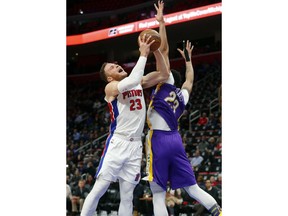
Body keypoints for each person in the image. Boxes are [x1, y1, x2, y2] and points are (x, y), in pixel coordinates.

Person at [143, 1, 222, 216]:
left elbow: (165, 49)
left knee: (158, 192)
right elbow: (189, 81)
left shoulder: (165, 79)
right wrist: (189, 61)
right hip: (176, 140)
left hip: (158, 139)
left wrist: (161, 22)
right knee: (192, 188)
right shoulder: (181, 95)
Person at [80, 33, 170, 216]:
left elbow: (164, 74)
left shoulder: (138, 82)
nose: (118, 66)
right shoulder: (111, 88)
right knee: (100, 188)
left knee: (127, 196)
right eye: (113, 67)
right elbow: (133, 80)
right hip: (118, 143)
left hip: (135, 145)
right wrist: (143, 54)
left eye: (117, 64)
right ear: (110, 78)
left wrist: (156, 50)